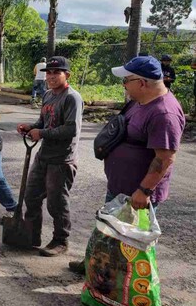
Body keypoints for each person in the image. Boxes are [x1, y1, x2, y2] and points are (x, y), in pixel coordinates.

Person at [70, 55, 185, 273]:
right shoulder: (139, 101)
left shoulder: (164, 114)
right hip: (120, 187)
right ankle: (93, 265)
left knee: (127, 243)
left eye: (126, 80)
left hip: (136, 194)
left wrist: (143, 191)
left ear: (142, 83)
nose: (123, 85)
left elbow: (165, 158)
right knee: (107, 231)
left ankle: (115, 286)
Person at [16, 56, 83, 257]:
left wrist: (41, 133)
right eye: (49, 73)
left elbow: (71, 129)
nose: (52, 77)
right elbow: (44, 122)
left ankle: (61, 240)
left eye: (57, 73)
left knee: (56, 202)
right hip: (44, 156)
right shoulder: (47, 95)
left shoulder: (72, 97)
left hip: (62, 160)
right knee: (31, 195)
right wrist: (32, 127)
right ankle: (31, 235)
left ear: (67, 75)